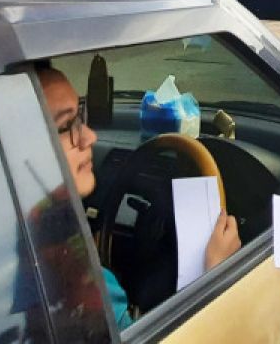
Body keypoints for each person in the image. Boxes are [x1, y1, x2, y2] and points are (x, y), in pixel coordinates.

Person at [38, 63, 240, 330]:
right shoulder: (66, 264)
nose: (89, 137)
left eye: (80, 116)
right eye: (66, 125)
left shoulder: (32, 225)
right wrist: (213, 277)